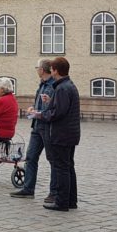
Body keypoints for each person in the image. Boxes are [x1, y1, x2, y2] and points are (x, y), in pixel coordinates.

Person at [38, 57, 80, 211]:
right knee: (68, 167)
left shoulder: (62, 88)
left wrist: (41, 115)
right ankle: (71, 200)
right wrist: (51, 103)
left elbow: (58, 113)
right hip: (70, 133)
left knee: (62, 168)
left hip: (62, 133)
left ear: (55, 70)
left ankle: (62, 202)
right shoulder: (69, 85)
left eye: (52, 69)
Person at [12, 60, 56, 200]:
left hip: (47, 127)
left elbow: (52, 107)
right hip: (37, 125)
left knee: (53, 160)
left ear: (42, 70)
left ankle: (54, 192)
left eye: (37, 68)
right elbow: (40, 103)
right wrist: (33, 108)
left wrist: (40, 111)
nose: (37, 70)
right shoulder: (42, 84)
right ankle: (28, 188)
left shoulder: (53, 85)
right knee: (30, 157)